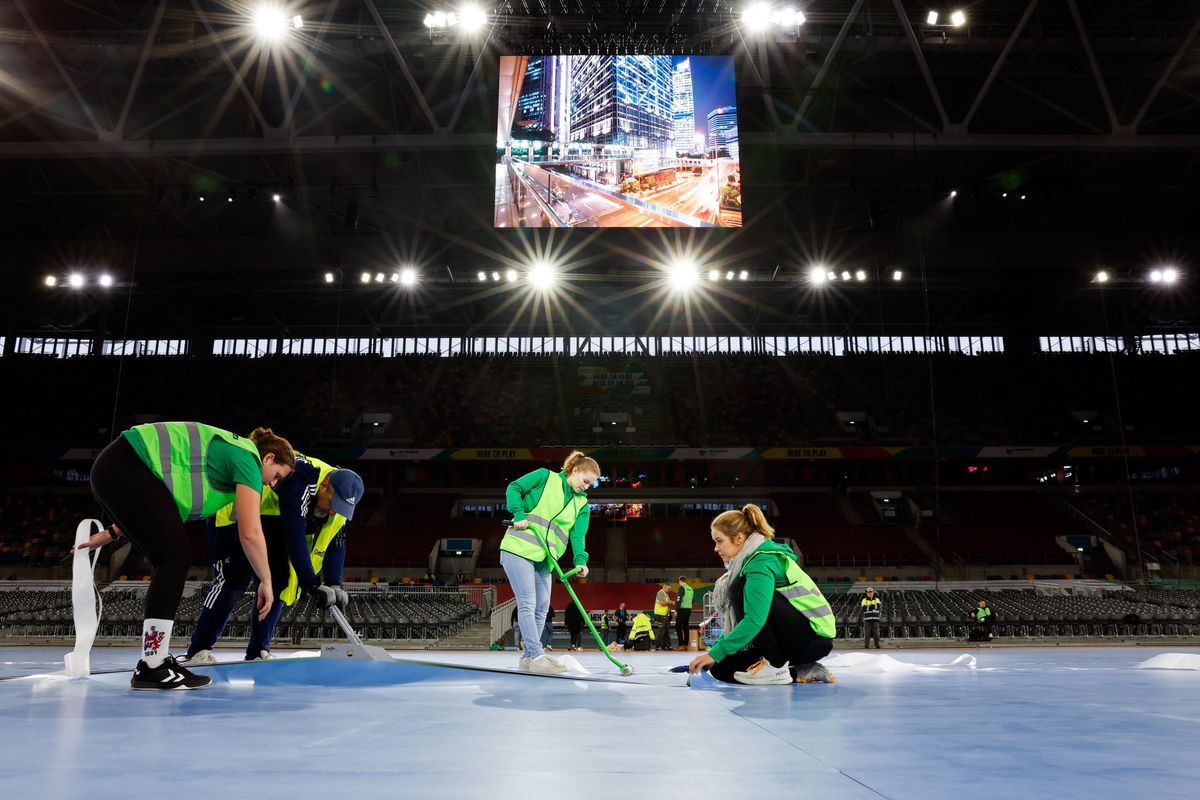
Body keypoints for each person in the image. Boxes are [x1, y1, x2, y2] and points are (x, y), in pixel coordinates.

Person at [74, 424, 294, 690]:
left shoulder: (226, 466)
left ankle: (153, 663)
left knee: (172, 557)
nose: (272, 484)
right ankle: (153, 665)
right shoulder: (248, 457)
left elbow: (154, 500)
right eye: (277, 477)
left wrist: (111, 533)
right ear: (268, 458)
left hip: (119, 468)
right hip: (125, 464)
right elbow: (250, 532)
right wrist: (266, 580)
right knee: (175, 559)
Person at [184, 453, 364, 663]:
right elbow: (295, 533)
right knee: (234, 581)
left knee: (277, 582)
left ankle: (257, 652)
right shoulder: (303, 478)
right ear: (324, 485)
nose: (335, 512)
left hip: (272, 521)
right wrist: (311, 583)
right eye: (334, 504)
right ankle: (197, 650)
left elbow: (336, 541)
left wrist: (335, 583)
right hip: (235, 513)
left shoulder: (339, 502)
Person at [688, 504, 836, 685]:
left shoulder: (761, 560)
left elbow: (754, 620)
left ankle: (775, 667)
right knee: (721, 667)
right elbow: (740, 624)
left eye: (719, 541)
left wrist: (713, 653)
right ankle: (801, 670)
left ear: (739, 538)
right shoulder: (749, 561)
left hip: (813, 638)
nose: (716, 548)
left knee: (738, 588)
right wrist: (716, 653)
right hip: (790, 637)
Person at [501, 450, 600, 674]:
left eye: (591, 484)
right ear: (574, 470)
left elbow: (578, 535)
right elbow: (514, 488)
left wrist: (581, 560)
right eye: (585, 481)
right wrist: (518, 514)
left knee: (542, 607)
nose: (587, 487)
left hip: (545, 558)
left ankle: (529, 659)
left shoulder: (581, 504)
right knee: (528, 601)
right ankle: (536, 655)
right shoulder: (544, 477)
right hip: (518, 548)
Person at [675, 576, 695, 650]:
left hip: (681, 609)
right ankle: (686, 644)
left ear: (680, 580)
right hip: (688, 609)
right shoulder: (691, 589)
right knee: (685, 626)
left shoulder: (681, 588)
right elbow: (693, 600)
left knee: (678, 626)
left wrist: (676, 610)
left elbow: (678, 600)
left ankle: (681, 645)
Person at [653, 582, 673, 650]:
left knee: (666, 631)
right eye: (668, 589)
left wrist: (671, 602)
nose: (669, 590)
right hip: (660, 615)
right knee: (661, 631)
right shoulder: (661, 593)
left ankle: (665, 646)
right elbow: (662, 603)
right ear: (664, 587)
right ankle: (658, 646)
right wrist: (670, 602)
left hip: (665, 615)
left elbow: (667, 602)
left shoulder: (666, 594)